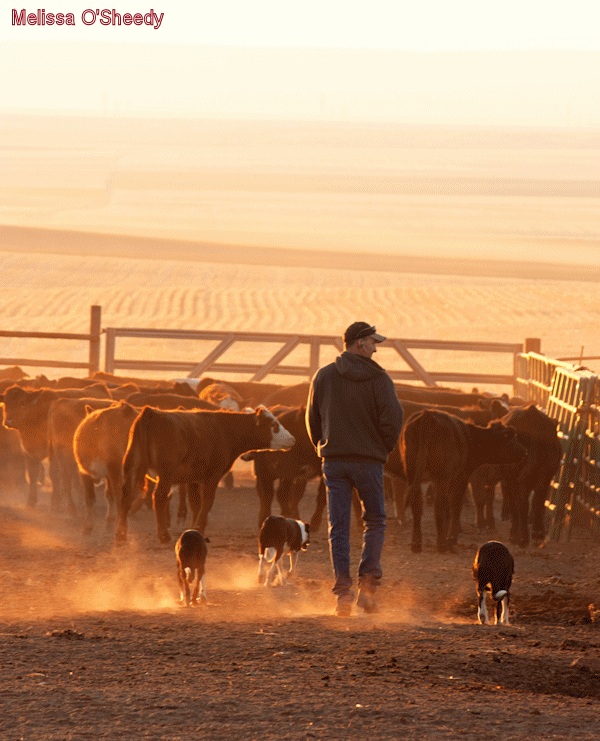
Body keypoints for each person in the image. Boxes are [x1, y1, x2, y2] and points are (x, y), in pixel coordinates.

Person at [305, 322, 404, 616]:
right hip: (368, 462)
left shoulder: (323, 376)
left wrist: (323, 446)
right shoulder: (380, 380)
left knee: (339, 527)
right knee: (374, 521)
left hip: (334, 462)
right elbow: (393, 419)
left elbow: (312, 419)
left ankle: (343, 594)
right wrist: (381, 449)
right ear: (360, 343)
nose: (376, 348)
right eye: (373, 342)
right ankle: (369, 586)